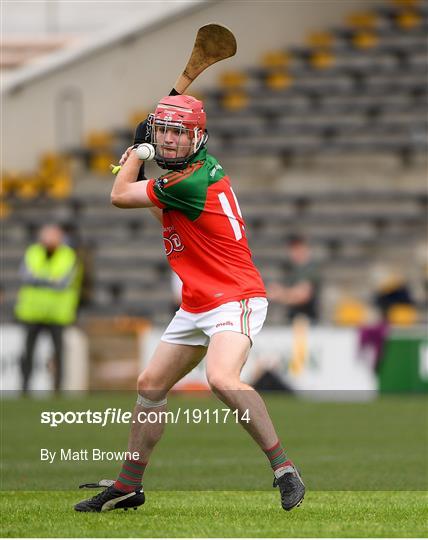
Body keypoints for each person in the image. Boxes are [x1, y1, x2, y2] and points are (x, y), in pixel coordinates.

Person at [74, 95, 305, 513]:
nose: (169, 140)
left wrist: (138, 153)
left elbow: (119, 195)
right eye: (162, 131)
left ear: (198, 138)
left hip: (235, 296)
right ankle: (128, 485)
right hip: (198, 301)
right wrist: (142, 163)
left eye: (178, 133)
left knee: (221, 378)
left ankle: (284, 469)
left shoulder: (191, 181)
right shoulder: (189, 178)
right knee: (150, 385)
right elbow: (158, 211)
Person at [14, 224, 81, 392]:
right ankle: (24, 387)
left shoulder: (68, 255)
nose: (50, 239)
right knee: (27, 353)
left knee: (58, 354)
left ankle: (57, 388)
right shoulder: (32, 252)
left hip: (57, 314)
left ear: (60, 238)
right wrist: (51, 279)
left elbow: (64, 283)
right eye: (47, 235)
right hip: (31, 312)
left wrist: (39, 278)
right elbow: (25, 276)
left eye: (53, 236)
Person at [267, 234, 320, 323]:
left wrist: (281, 294)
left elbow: (302, 296)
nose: (295, 252)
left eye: (298, 248)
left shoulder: (311, 269)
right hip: (291, 321)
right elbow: (271, 292)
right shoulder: (289, 269)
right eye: (293, 248)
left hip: (309, 322)